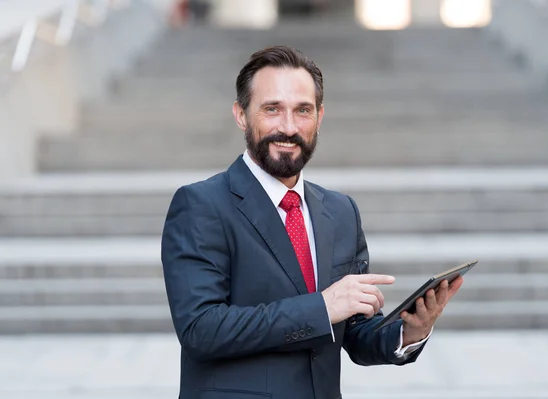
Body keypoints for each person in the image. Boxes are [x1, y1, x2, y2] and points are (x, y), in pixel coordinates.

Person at [161, 45, 464, 399]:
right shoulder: (201, 204)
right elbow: (201, 329)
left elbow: (352, 331)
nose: (288, 127)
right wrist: (321, 307)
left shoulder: (341, 211)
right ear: (241, 114)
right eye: (272, 109)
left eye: (302, 111)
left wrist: (408, 332)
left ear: (319, 117)